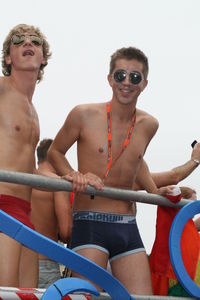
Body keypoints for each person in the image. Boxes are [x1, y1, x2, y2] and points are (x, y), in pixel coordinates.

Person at [48, 46, 170, 295]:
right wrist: (73, 173)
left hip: (127, 224)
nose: (127, 82)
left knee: (143, 298)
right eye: (120, 75)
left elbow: (137, 161)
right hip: (90, 221)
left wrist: (155, 191)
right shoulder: (83, 114)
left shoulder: (150, 125)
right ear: (109, 79)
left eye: (134, 77)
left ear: (144, 84)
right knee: (85, 296)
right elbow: (55, 152)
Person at [0, 24, 51, 287]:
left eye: (35, 41)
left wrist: (67, 175)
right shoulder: (2, 89)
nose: (28, 43)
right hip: (2, 206)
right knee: (5, 292)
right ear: (8, 57)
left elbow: (25, 164)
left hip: (25, 212)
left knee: (26, 294)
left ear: (43, 58)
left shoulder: (33, 110)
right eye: (19, 40)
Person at [31, 139, 72, 288]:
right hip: (45, 263)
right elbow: (66, 231)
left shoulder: (21, 181)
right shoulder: (58, 184)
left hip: (15, 260)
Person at [150, 186, 200, 297]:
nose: (194, 208)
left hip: (187, 280)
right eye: (191, 203)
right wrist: (176, 193)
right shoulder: (171, 212)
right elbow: (172, 195)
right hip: (171, 277)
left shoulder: (189, 224)